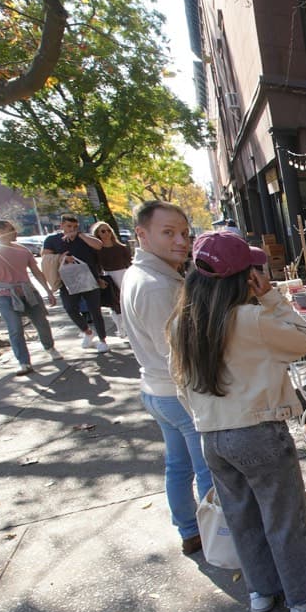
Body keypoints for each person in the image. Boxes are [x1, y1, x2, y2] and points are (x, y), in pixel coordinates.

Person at [170, 230, 306, 612]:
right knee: (284, 518)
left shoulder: (181, 322)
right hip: (257, 432)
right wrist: (271, 297)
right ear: (243, 278)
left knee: (242, 518)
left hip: (213, 436)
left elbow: (180, 384)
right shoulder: (251, 319)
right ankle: (304, 599)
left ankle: (262, 591)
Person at [124, 200, 212, 557]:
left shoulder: (151, 274)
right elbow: (179, 354)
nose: (181, 241)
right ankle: (219, 535)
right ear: (142, 235)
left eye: (184, 233)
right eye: (169, 233)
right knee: (206, 468)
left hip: (157, 390)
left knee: (179, 465)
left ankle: (191, 530)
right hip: (175, 392)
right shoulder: (156, 285)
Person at [0, 220, 60, 374]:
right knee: (15, 328)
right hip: (5, 296)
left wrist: (48, 291)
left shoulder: (22, 250)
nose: (15, 231)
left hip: (28, 292)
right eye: (11, 229)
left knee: (42, 323)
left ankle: (50, 347)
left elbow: (36, 271)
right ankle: (24, 362)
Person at [41, 214, 109, 351]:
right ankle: (87, 332)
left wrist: (80, 235)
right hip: (67, 280)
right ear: (61, 226)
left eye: (74, 226)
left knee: (95, 310)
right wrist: (62, 258)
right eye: (68, 226)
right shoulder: (53, 240)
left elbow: (99, 245)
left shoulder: (84, 237)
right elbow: (45, 256)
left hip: (89, 278)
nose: (71, 229)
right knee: (70, 308)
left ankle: (102, 340)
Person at [91, 221, 132, 323]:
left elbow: (129, 262)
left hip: (123, 274)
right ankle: (120, 326)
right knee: (114, 302)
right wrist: (99, 278)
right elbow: (95, 265)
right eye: (103, 231)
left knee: (127, 300)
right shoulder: (96, 250)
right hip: (108, 276)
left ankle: (129, 323)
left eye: (109, 230)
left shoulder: (121, 247)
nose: (107, 233)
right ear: (98, 234)